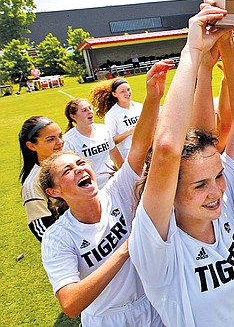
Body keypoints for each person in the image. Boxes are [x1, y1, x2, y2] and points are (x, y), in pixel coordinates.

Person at [129, 1, 234, 326]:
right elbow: (166, 147)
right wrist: (191, 51)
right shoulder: (159, 250)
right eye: (200, 184)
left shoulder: (221, 211)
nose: (217, 190)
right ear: (169, 193)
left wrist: (226, 40)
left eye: (218, 177)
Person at [39, 61, 171, 326]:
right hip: (108, 318)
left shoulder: (116, 192)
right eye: (68, 170)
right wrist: (125, 250)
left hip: (152, 304)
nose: (79, 169)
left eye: (80, 163)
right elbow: (71, 303)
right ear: (55, 191)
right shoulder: (58, 237)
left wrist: (153, 97)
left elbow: (139, 147)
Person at [19, 116, 65, 241]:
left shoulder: (69, 163)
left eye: (60, 136)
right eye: (51, 139)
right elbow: (41, 229)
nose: (60, 142)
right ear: (31, 146)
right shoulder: (32, 184)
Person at [62, 98, 122, 188]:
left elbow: (114, 153)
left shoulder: (103, 129)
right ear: (73, 116)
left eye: (90, 108)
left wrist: (125, 172)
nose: (90, 112)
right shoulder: (68, 140)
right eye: (84, 110)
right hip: (90, 187)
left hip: (112, 182)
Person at [89, 78, 143, 160]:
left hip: (146, 149)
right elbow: (111, 141)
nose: (127, 93)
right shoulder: (112, 114)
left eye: (128, 89)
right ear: (114, 94)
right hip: (128, 154)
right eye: (122, 91)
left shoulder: (140, 107)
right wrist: (128, 132)